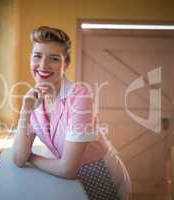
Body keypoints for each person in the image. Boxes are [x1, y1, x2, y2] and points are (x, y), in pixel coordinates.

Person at [12, 26, 131, 200]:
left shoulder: (80, 98)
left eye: (53, 58)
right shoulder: (34, 101)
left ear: (65, 64)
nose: (43, 65)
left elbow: (68, 169)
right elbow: (17, 159)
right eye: (37, 56)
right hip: (71, 183)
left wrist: (30, 157)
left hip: (103, 177)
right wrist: (25, 111)